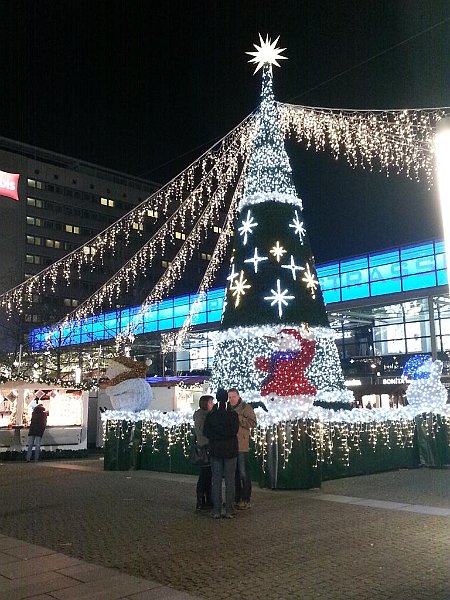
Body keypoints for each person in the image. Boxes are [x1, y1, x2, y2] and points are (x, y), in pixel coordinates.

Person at [204, 388, 239, 519]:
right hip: (230, 450)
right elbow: (234, 431)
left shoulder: (211, 415)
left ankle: (216, 510)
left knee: (216, 480)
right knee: (230, 480)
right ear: (227, 399)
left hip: (216, 450)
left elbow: (206, 432)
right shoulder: (233, 414)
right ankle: (229, 509)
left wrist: (216, 436)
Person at [228, 387, 257, 510]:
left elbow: (253, 423)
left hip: (241, 445)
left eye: (233, 397)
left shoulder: (246, 407)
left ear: (238, 396)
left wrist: (239, 418)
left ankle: (246, 499)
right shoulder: (227, 408)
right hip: (230, 445)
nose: (231, 399)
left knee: (243, 473)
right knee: (234, 473)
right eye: (230, 397)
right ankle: (236, 498)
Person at [193, 394, 214, 510]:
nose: (212, 404)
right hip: (205, 448)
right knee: (205, 475)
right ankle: (201, 500)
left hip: (207, 447)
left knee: (207, 475)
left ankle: (207, 499)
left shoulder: (204, 415)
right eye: (211, 402)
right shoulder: (202, 416)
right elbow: (203, 431)